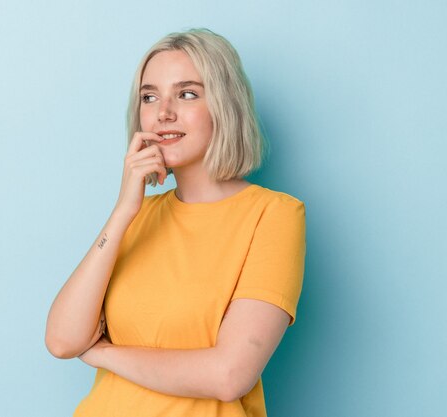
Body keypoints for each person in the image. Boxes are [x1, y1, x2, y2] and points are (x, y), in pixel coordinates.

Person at [45, 28, 306, 417]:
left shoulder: (274, 215)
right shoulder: (137, 215)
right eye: (149, 97)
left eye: (187, 94)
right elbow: (63, 340)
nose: (163, 112)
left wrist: (104, 353)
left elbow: (229, 375)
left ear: (225, 105)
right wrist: (122, 212)